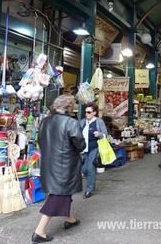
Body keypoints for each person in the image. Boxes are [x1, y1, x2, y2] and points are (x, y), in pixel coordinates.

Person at [33, 95, 85, 243]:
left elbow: (40, 141)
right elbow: (80, 145)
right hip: (65, 165)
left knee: (63, 193)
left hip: (48, 163)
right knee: (59, 195)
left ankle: (71, 219)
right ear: (69, 108)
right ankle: (39, 231)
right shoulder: (71, 122)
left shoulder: (44, 121)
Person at [80, 102, 108, 199]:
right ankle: (91, 183)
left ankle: (89, 190)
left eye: (89, 112)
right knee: (83, 169)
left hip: (94, 148)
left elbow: (105, 134)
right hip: (83, 149)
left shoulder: (99, 122)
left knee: (90, 168)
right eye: (86, 112)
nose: (86, 114)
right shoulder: (82, 122)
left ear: (94, 113)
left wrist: (99, 134)